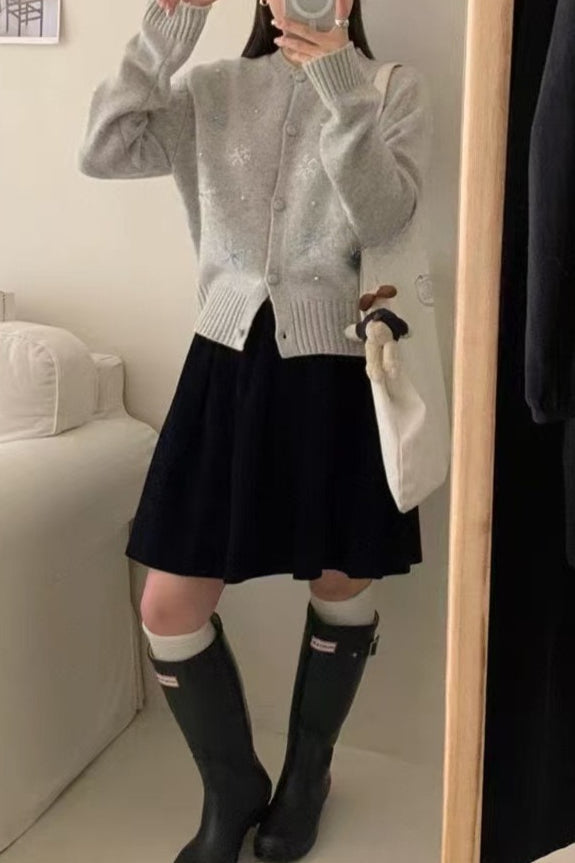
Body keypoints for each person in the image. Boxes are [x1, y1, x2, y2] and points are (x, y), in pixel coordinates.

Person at [77, 1, 431, 860]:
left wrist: (338, 81)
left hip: (338, 368)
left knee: (340, 578)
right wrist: (167, 29)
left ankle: (308, 775)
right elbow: (106, 149)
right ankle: (231, 784)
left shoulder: (390, 88)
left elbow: (386, 219)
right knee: (169, 603)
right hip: (226, 364)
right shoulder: (213, 88)